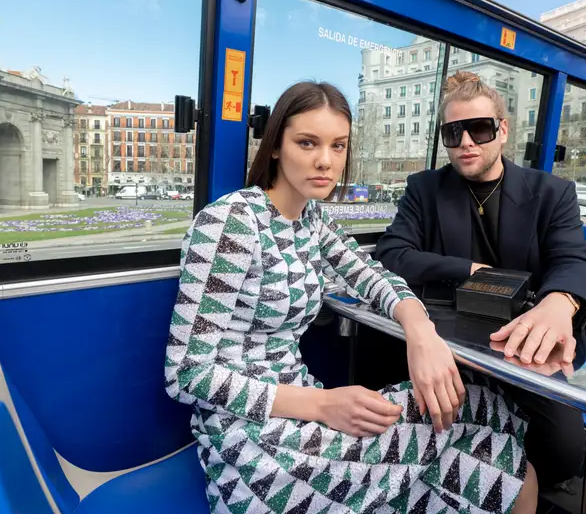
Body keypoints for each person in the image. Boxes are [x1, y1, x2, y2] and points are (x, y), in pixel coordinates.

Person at [165, 81, 538, 514]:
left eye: (338, 146)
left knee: (495, 448)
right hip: (251, 440)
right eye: (307, 143)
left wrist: (421, 333)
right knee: (479, 415)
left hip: (302, 411)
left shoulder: (311, 219)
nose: (326, 161)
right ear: (275, 147)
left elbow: (374, 276)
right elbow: (186, 374)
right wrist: (323, 404)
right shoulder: (230, 222)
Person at [369, 71, 586, 490]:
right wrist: (469, 270)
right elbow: (392, 253)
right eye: (453, 132)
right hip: (447, 341)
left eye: (479, 129)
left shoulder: (551, 193)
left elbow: (576, 263)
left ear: (503, 130)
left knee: (564, 452)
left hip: (521, 346)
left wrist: (559, 302)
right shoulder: (425, 189)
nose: (466, 142)